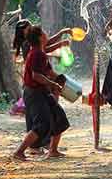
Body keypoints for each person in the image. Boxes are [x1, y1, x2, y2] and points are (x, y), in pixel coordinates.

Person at [12, 26, 70, 161]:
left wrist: (61, 79)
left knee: (59, 118)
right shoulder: (37, 53)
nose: (46, 35)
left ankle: (53, 150)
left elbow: (49, 72)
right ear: (39, 37)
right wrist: (53, 84)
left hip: (41, 91)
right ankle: (19, 152)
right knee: (42, 124)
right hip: (34, 93)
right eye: (44, 33)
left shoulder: (40, 52)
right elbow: (36, 76)